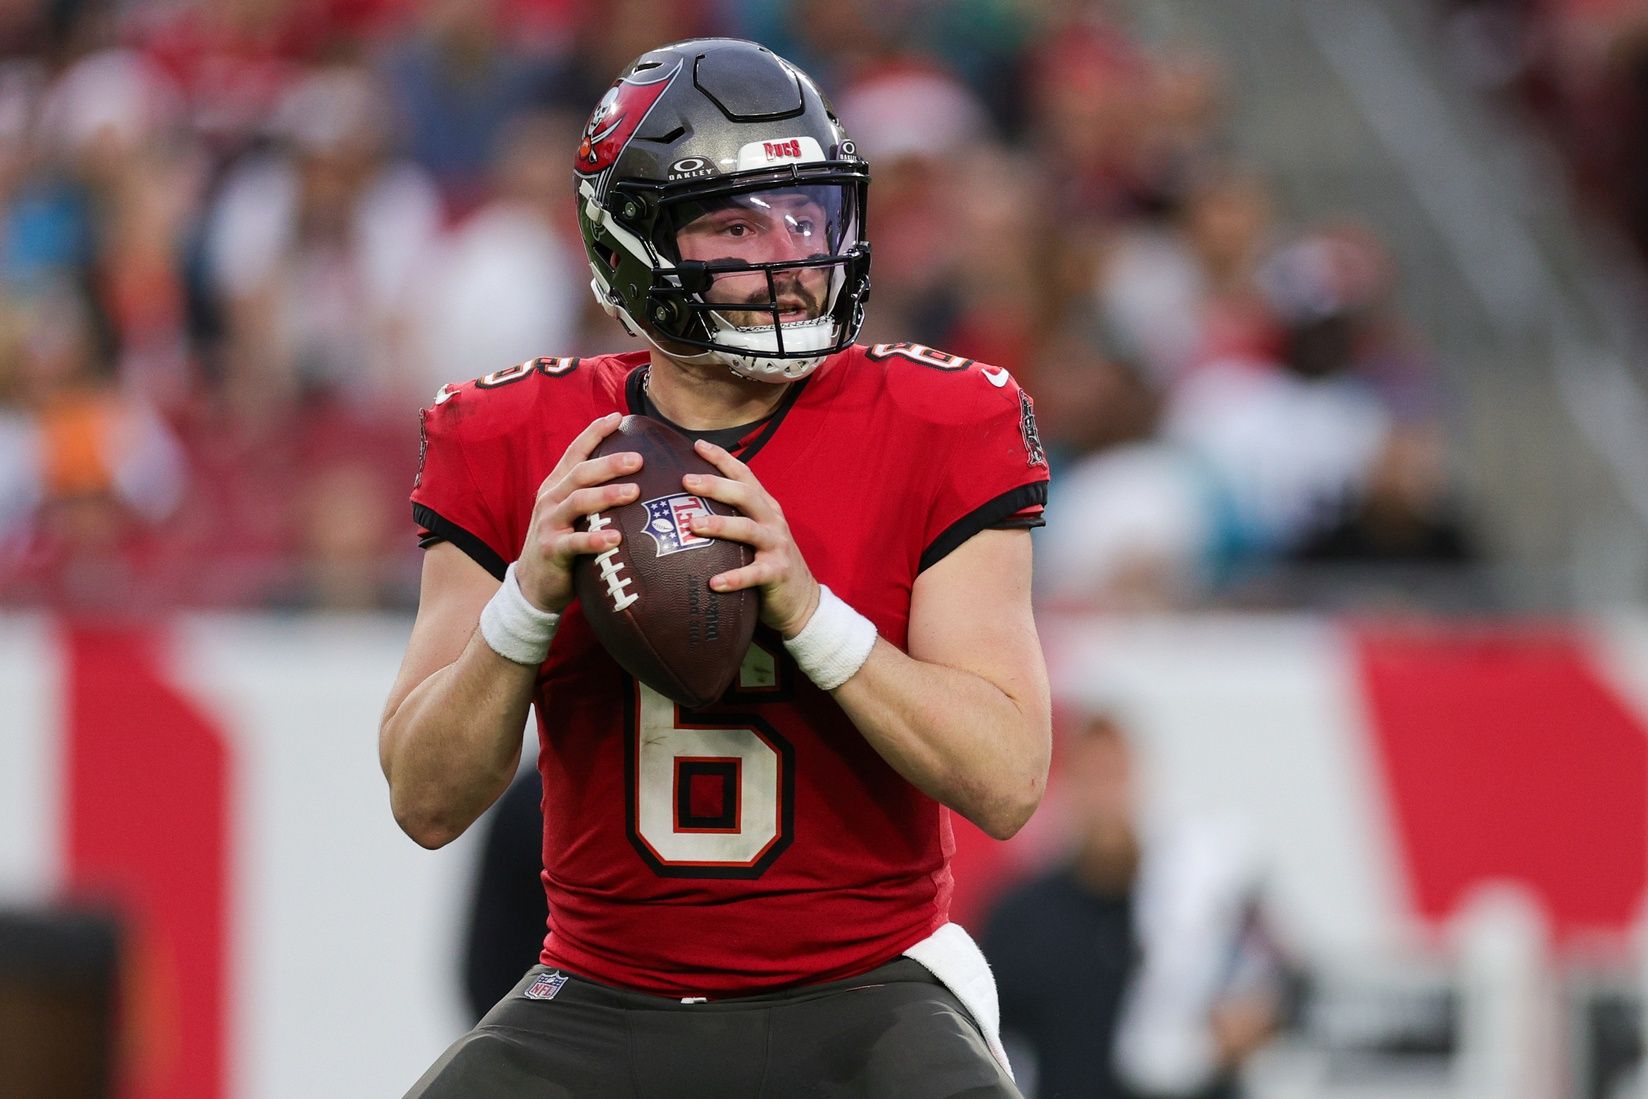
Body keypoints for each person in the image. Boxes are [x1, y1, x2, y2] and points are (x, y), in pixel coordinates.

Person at [379, 38, 1052, 1097]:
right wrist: (525, 603)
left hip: (866, 983)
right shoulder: (513, 437)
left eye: (806, 214)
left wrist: (811, 612)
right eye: (734, 222)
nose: (787, 254)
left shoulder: (937, 421)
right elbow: (424, 801)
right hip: (599, 991)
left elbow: (1006, 779)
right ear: (628, 244)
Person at [981, 713, 1288, 1099]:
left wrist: (1254, 1019)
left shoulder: (1205, 895)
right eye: (1090, 778)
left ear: (1145, 783)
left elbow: (1290, 982)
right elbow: (983, 1037)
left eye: (1115, 776)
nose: (1106, 797)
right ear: (1065, 789)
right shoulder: (1022, 916)